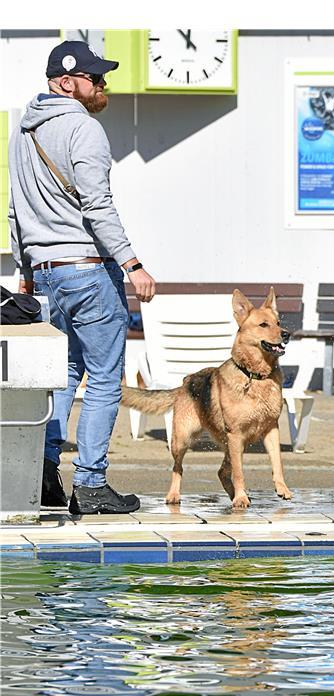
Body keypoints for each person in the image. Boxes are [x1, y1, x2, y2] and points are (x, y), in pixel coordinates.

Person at [8, 41, 157, 515]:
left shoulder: (20, 133)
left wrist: (26, 272)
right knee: (106, 379)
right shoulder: (83, 128)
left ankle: (45, 474)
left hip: (47, 276)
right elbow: (97, 205)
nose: (102, 85)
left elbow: (15, 212)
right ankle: (91, 484)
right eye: (95, 78)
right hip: (89, 272)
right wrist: (132, 264)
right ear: (66, 82)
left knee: (64, 375)